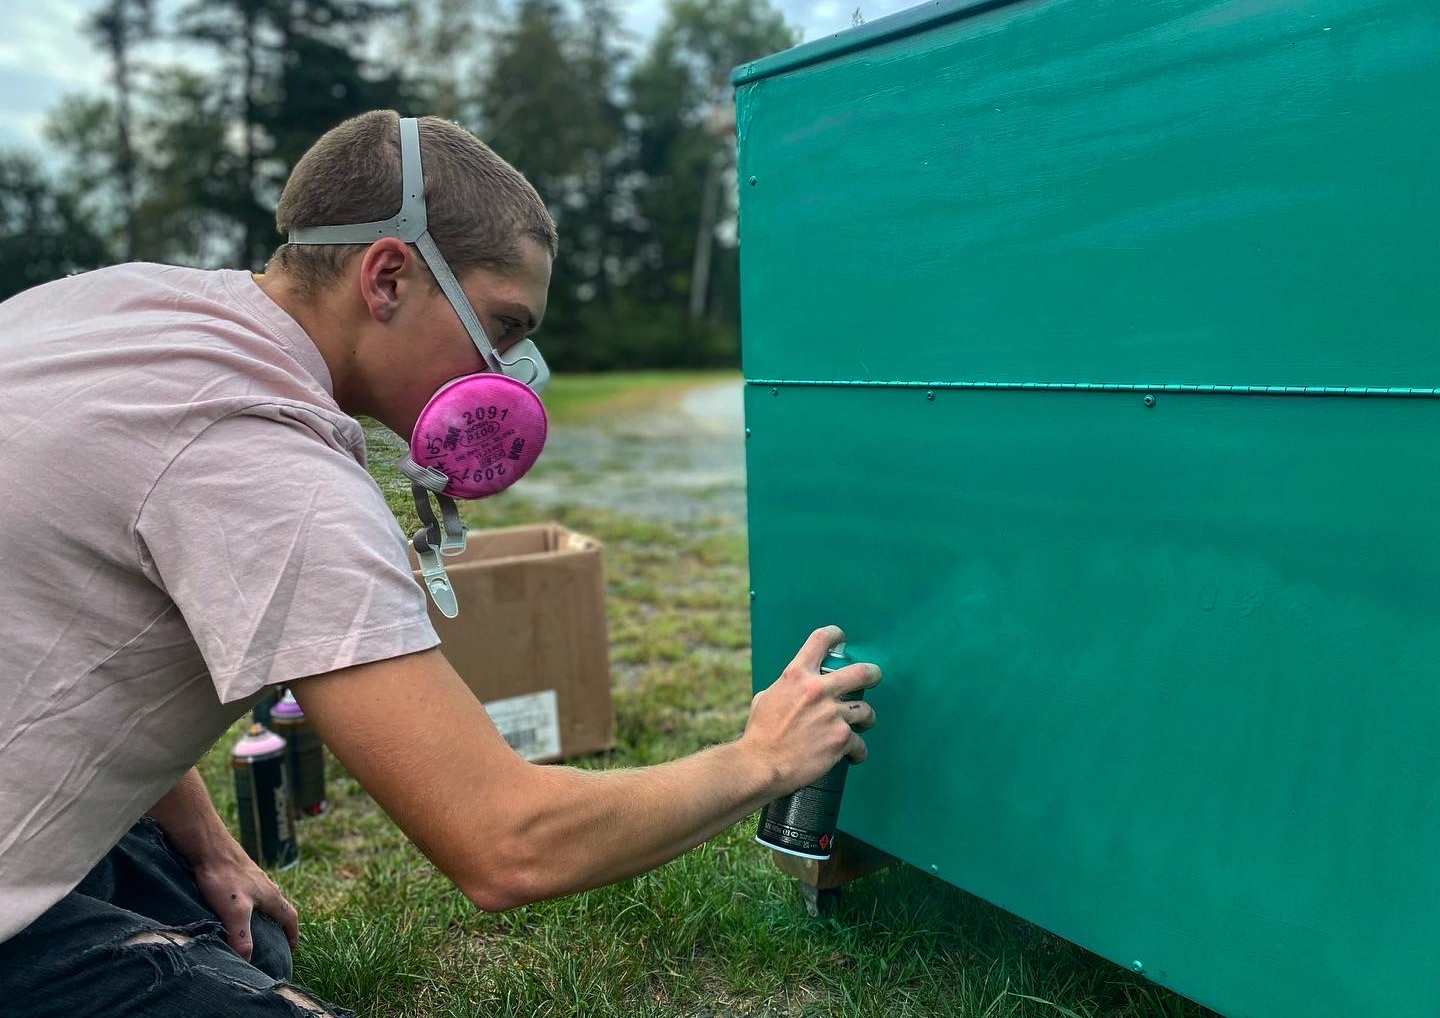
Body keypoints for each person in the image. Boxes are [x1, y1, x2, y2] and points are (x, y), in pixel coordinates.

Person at [0, 110, 880, 1016]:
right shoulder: (265, 464)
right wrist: (763, 759)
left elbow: (63, 626)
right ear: (387, 276)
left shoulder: (119, 306)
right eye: (502, 325)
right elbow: (508, 844)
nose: (510, 369)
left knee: (249, 937)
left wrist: (210, 846)